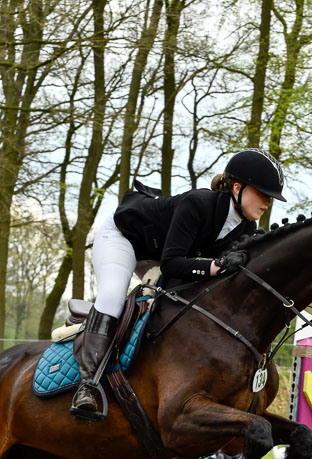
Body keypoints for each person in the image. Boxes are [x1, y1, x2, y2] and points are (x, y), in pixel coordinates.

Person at [70, 149, 286, 421]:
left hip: (161, 255)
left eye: (271, 197)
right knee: (113, 295)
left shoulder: (246, 230)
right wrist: (214, 265)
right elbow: (172, 263)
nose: (268, 202)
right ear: (237, 187)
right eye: (264, 194)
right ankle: (87, 385)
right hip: (125, 239)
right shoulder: (198, 204)